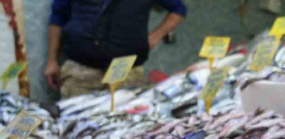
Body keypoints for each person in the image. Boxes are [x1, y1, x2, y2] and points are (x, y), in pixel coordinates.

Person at [45, 0, 187, 98]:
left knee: (124, 128)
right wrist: (52, 60)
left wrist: (154, 38)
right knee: (75, 129)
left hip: (126, 73)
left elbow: (178, 10)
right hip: (80, 73)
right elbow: (58, 16)